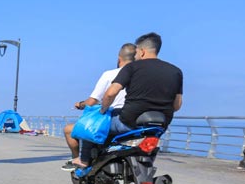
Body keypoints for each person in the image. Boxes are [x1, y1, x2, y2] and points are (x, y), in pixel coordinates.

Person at [77, 32, 183, 168]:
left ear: (143, 51)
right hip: (159, 125)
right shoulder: (175, 71)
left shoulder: (132, 67)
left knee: (91, 123)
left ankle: (84, 161)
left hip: (129, 122)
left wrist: (103, 110)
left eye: (137, 52)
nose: (136, 56)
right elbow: (177, 104)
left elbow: (110, 93)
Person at [61, 43, 136, 171]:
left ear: (119, 59)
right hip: (133, 118)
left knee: (69, 129)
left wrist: (80, 104)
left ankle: (78, 160)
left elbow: (92, 101)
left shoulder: (109, 74)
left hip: (112, 118)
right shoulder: (139, 75)